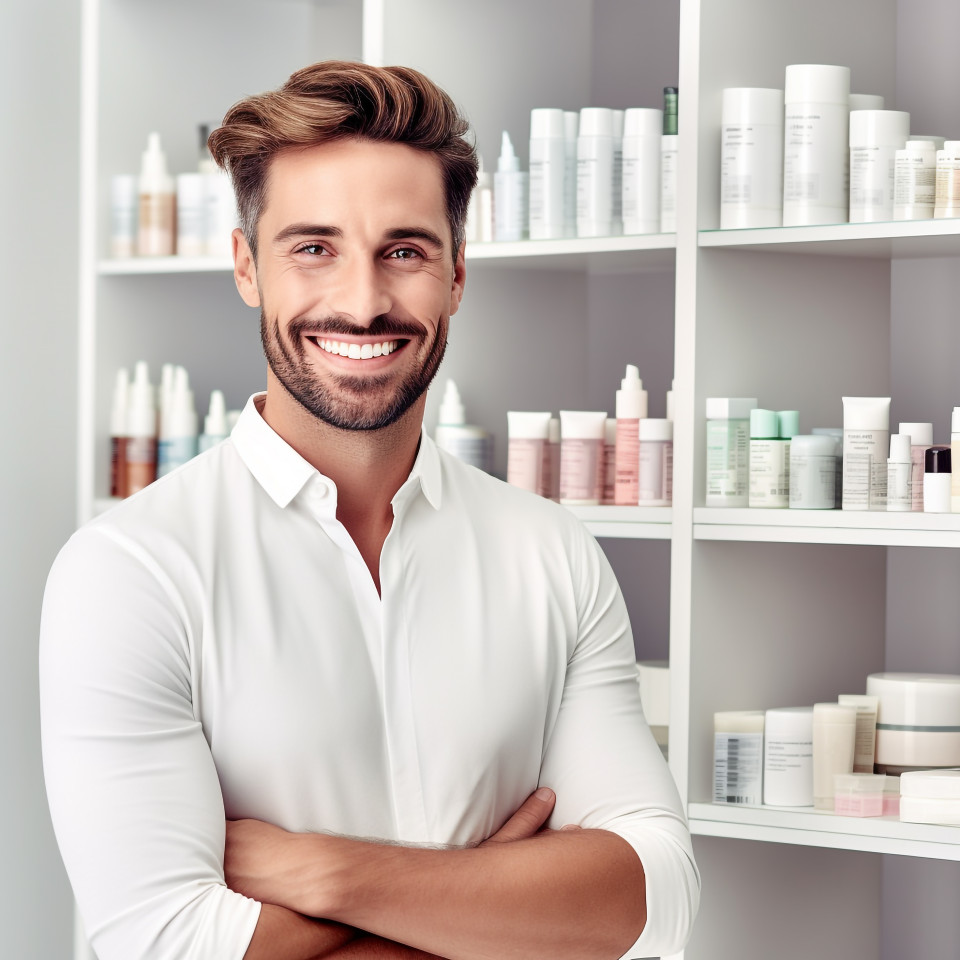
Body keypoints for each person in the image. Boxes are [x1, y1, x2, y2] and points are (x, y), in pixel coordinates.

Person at [40, 61, 699, 960]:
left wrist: (323, 875)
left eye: (405, 250)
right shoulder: (131, 572)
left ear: (458, 274)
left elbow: (653, 897)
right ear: (247, 267)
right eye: (314, 248)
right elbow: (166, 943)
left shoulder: (552, 554)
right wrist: (493, 909)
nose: (361, 301)